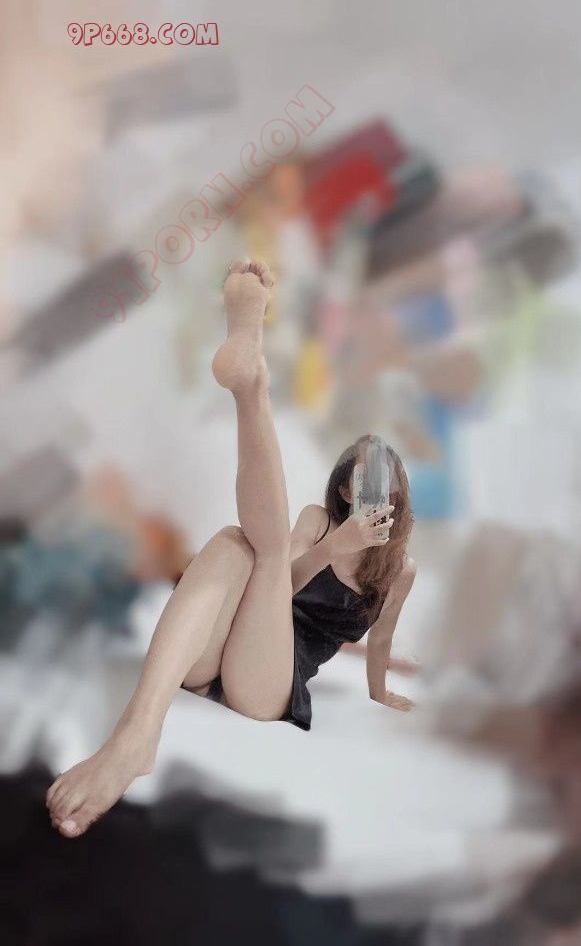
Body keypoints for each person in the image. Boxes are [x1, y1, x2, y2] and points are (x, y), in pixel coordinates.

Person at [45, 259, 417, 839]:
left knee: (256, 547)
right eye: (360, 478)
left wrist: (380, 692)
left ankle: (252, 388)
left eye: (383, 477)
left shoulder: (400, 569)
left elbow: (383, 639)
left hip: (268, 682)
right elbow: (276, 583)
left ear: (398, 489)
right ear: (345, 488)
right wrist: (331, 547)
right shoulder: (320, 522)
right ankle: (136, 733)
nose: (370, 489)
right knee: (235, 543)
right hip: (213, 653)